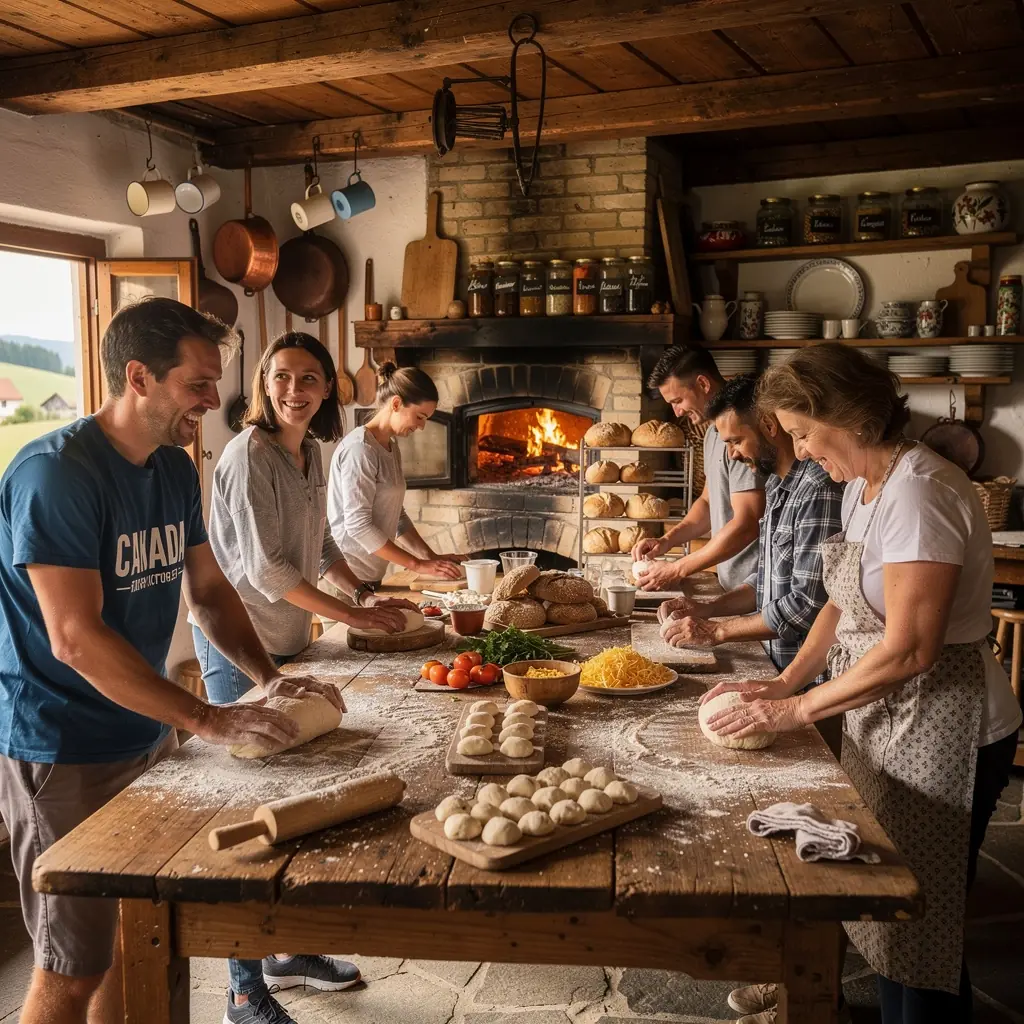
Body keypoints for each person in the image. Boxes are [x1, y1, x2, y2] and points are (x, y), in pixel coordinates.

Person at [0, 298, 343, 1024]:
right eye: (197, 384)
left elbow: (211, 591)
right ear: (138, 377)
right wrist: (205, 718)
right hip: (63, 747)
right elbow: (73, 638)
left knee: (149, 938)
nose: (215, 400)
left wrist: (270, 678)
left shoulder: (173, 470)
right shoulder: (57, 474)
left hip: (146, 735)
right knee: (74, 964)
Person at [702, 345, 1021, 1024]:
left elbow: (909, 648)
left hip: (947, 723)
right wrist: (785, 682)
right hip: (886, 716)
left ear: (847, 415)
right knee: (880, 898)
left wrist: (796, 714)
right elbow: (840, 602)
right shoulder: (863, 487)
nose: (802, 450)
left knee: (921, 914)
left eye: (804, 432)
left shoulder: (922, 491)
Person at [194, 331, 420, 1022]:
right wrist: (350, 613)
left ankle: (287, 950)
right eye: (284, 377)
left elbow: (320, 546)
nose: (296, 390)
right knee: (255, 813)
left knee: (300, 800)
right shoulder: (246, 456)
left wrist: (364, 599)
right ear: (264, 382)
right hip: (241, 651)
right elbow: (264, 571)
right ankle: (242, 988)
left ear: (328, 390)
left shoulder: (312, 450)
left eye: (310, 379)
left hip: (290, 641)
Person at [658, 372, 843, 688]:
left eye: (735, 441)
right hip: (775, 666)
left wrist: (717, 630)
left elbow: (805, 606)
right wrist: (708, 608)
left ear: (770, 427)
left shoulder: (817, 489)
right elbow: (768, 580)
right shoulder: (776, 484)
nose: (732, 455)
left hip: (807, 679)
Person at [632, 345, 765, 593]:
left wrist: (677, 568)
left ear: (703, 384)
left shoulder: (741, 435)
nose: (677, 412)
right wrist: (666, 541)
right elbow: (707, 502)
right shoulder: (712, 433)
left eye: (678, 400)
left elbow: (748, 523)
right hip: (732, 586)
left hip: (757, 589)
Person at [327, 362, 463, 596]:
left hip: (369, 577)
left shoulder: (390, 447)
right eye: (420, 417)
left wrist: (431, 558)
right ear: (397, 403)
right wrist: (418, 565)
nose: (421, 427)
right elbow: (358, 526)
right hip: (344, 580)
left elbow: (396, 516)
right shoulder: (360, 450)